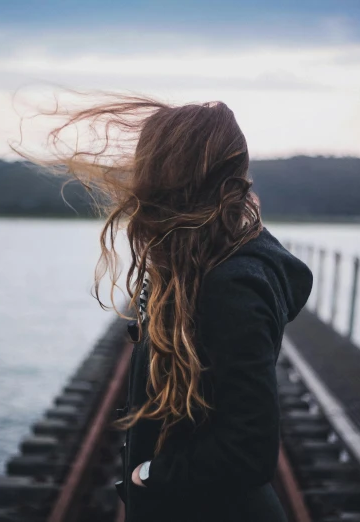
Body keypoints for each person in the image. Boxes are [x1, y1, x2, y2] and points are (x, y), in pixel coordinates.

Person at [32, 95, 312, 521]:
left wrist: (149, 474)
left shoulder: (231, 285)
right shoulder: (204, 264)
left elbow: (250, 450)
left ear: (172, 177)